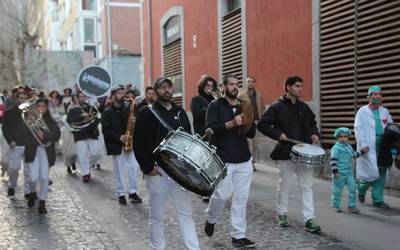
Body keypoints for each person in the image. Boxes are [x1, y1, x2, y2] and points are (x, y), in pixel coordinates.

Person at [133, 77, 200, 250]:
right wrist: (148, 167)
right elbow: (137, 143)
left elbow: (188, 140)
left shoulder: (180, 112)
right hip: (158, 171)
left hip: (180, 172)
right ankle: (157, 247)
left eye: (169, 87)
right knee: (156, 216)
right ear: (155, 92)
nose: (167, 90)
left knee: (186, 214)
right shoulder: (146, 113)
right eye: (162, 88)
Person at [257, 75, 321, 233]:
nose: (300, 89)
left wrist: (314, 133)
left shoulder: (304, 107)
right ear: (288, 87)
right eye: (297, 86)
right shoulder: (276, 107)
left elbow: (312, 123)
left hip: (305, 151)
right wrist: (278, 134)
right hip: (287, 151)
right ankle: (282, 214)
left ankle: (309, 219)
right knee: (284, 185)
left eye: (301, 86)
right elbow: (262, 124)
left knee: (307, 186)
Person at [204, 75, 256, 248]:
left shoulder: (244, 104)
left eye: (236, 84)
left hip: (243, 159)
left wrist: (248, 122)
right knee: (222, 195)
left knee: (241, 198)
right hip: (223, 159)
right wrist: (231, 123)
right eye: (231, 84)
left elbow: (252, 133)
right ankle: (211, 218)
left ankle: (238, 235)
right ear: (224, 87)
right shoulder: (215, 105)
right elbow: (210, 129)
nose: (234, 87)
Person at [102, 86, 142, 205]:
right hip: (117, 145)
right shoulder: (107, 112)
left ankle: (133, 192)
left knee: (133, 168)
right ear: (113, 95)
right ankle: (121, 194)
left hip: (130, 144)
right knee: (119, 171)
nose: (122, 95)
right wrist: (119, 137)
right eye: (119, 93)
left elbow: (132, 123)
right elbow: (106, 130)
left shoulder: (127, 109)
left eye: (123, 93)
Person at [354, 85, 393, 208]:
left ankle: (378, 199)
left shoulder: (384, 111)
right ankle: (361, 188)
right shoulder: (362, 111)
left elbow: (390, 127)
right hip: (368, 146)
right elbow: (358, 128)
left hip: (383, 146)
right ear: (369, 97)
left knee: (381, 171)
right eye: (374, 94)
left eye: (379, 94)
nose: (377, 96)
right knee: (370, 173)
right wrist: (363, 144)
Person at [24, 98, 60, 214]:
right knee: (33, 177)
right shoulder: (29, 120)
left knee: (44, 177)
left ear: (46, 108)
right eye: (38, 106)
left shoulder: (50, 121)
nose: (41, 109)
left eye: (43, 106)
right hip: (33, 151)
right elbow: (22, 136)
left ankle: (42, 202)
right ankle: (32, 193)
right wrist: (34, 133)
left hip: (46, 151)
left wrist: (44, 134)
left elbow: (56, 135)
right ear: (35, 108)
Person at [2, 91, 33, 197]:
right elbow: (5, 128)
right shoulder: (10, 112)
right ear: (16, 99)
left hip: (29, 144)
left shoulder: (31, 111)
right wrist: (10, 141)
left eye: (25, 98)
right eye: (21, 98)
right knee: (14, 168)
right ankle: (12, 185)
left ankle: (28, 191)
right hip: (15, 144)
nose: (23, 100)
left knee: (29, 169)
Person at [66, 91, 101, 182]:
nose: (82, 98)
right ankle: (85, 173)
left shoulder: (91, 107)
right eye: (80, 97)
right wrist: (81, 115)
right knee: (82, 155)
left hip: (91, 133)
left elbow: (96, 119)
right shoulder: (73, 109)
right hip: (79, 134)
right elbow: (69, 120)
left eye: (84, 96)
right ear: (77, 98)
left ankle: (87, 167)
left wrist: (95, 111)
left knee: (96, 153)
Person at [330, 127, 365, 213]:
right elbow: (333, 160)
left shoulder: (348, 146)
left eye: (345, 136)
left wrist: (362, 152)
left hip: (349, 172)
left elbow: (353, 155)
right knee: (337, 190)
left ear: (348, 137)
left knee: (353, 189)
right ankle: (335, 205)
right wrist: (335, 171)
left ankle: (351, 205)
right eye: (341, 137)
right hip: (339, 173)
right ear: (337, 137)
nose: (343, 138)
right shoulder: (336, 148)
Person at [238, 76, 265, 171]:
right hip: (247, 123)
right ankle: (246, 163)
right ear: (246, 83)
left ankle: (252, 163)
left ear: (254, 83)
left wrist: (262, 119)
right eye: (248, 81)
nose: (250, 83)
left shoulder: (259, 95)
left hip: (256, 122)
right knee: (247, 144)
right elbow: (238, 108)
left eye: (252, 81)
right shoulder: (241, 95)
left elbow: (262, 107)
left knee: (255, 144)